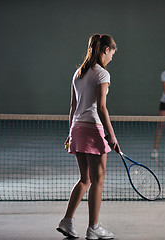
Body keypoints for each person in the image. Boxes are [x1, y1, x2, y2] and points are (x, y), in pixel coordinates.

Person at [57, 33, 119, 239]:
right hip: (94, 130)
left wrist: (70, 133)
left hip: (77, 129)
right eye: (112, 53)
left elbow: (73, 107)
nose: (112, 57)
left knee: (85, 179)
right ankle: (94, 227)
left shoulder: (78, 73)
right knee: (98, 180)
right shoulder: (102, 75)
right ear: (105, 50)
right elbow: (101, 107)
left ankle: (67, 221)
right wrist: (112, 135)